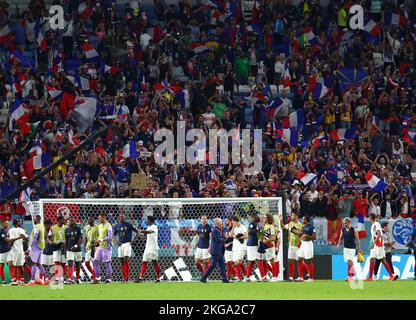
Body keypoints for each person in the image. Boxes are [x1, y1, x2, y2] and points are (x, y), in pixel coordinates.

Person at [366, 214, 396, 281]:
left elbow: (379, 234)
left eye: (369, 217)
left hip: (378, 245)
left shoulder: (376, 224)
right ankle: (370, 277)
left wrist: (373, 243)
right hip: (375, 245)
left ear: (370, 218)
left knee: (382, 260)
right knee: (371, 259)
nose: (368, 218)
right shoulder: (373, 225)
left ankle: (391, 276)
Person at [200, 218, 229, 283]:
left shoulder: (219, 230)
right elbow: (218, 240)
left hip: (219, 251)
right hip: (216, 251)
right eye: (221, 221)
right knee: (213, 265)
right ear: (217, 223)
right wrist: (224, 238)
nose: (222, 222)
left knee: (222, 265)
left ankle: (224, 279)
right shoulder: (215, 230)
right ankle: (203, 278)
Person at [113, 213, 140, 283]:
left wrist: (134, 240)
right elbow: (113, 235)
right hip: (120, 244)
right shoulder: (116, 226)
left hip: (127, 244)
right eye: (120, 217)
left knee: (126, 260)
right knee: (121, 261)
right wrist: (116, 241)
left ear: (125, 218)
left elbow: (138, 232)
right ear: (118, 218)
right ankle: (124, 277)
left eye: (123, 217)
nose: (122, 218)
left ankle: (127, 277)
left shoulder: (128, 225)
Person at [0, 219, 25, 285]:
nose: (8, 224)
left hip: (8, 250)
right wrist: (19, 238)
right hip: (2, 251)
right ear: (2, 224)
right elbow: (7, 240)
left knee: (10, 264)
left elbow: (9, 242)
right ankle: (3, 281)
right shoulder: (1, 231)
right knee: (1, 266)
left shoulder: (7, 231)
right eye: (6, 223)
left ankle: (13, 280)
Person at [27, 215, 50, 286]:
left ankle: (32, 281)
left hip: (35, 247)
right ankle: (46, 279)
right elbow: (45, 236)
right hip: (40, 247)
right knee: (38, 264)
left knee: (33, 263)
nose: (33, 219)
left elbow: (35, 236)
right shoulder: (42, 226)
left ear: (37, 219)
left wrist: (30, 248)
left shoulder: (36, 227)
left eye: (34, 218)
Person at [337, 217, 361, 281]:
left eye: (346, 223)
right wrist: (339, 243)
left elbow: (358, 240)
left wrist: (359, 249)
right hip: (345, 248)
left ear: (349, 223)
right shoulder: (343, 230)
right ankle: (351, 276)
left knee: (350, 261)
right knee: (348, 262)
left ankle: (350, 277)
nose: (345, 224)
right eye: (344, 223)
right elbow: (340, 237)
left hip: (352, 248)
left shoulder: (354, 230)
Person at [280, 212, 303, 281]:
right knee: (290, 261)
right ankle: (290, 277)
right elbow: (283, 227)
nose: (291, 216)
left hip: (298, 245)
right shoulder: (290, 224)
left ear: (296, 216)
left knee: (299, 261)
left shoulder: (300, 225)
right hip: (291, 245)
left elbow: (302, 233)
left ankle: (301, 276)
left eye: (293, 215)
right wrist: (281, 220)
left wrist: (296, 232)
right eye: (291, 215)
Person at [138, 216, 160, 282]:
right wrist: (143, 237)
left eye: (147, 220)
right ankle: (140, 277)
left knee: (154, 262)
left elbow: (149, 232)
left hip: (153, 248)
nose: (146, 221)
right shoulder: (148, 227)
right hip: (147, 248)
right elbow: (148, 235)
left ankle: (158, 278)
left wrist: (141, 231)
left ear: (150, 220)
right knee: (144, 261)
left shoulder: (154, 226)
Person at [93, 213, 113, 284]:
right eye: (98, 218)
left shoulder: (109, 226)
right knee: (95, 261)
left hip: (107, 247)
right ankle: (98, 278)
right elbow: (100, 236)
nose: (99, 219)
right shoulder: (99, 226)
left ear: (104, 218)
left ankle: (109, 279)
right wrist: (97, 243)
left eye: (100, 218)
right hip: (100, 247)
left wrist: (101, 240)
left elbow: (110, 237)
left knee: (107, 263)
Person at [258, 214, 279, 282]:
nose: (263, 218)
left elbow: (273, 238)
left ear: (268, 218)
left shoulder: (271, 227)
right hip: (264, 245)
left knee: (271, 260)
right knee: (264, 261)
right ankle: (265, 277)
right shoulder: (264, 226)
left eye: (265, 217)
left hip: (269, 245)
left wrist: (266, 240)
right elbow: (260, 237)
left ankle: (275, 276)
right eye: (263, 217)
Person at [295, 216, 316, 282]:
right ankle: (300, 277)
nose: (302, 220)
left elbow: (314, 237)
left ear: (306, 220)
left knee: (308, 261)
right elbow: (301, 234)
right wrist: (297, 233)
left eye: (303, 219)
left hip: (308, 244)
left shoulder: (311, 227)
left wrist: (307, 236)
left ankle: (311, 278)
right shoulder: (303, 227)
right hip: (303, 244)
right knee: (299, 259)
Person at [8, 218, 28, 285]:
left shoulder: (11, 230)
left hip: (16, 250)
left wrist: (23, 237)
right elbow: (25, 238)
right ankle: (16, 280)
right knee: (18, 265)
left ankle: (16, 280)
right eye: (19, 222)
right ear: (17, 223)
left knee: (17, 265)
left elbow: (11, 239)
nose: (20, 223)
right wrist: (22, 237)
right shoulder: (21, 230)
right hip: (18, 250)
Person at [48, 216, 67, 283]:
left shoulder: (66, 227)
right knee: (57, 263)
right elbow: (49, 237)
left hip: (64, 247)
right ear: (59, 220)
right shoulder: (53, 228)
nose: (64, 220)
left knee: (63, 263)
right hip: (56, 247)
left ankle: (63, 278)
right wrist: (52, 242)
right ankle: (56, 278)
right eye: (63, 219)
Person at [229, 216, 247, 281]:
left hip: (241, 246)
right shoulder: (234, 227)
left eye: (234, 222)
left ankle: (238, 277)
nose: (233, 223)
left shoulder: (243, 227)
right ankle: (246, 275)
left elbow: (246, 236)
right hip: (235, 246)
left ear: (237, 221)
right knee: (238, 262)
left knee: (238, 262)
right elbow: (230, 235)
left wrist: (237, 237)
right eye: (232, 222)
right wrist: (233, 227)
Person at [65, 219, 83, 284]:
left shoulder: (78, 229)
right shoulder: (66, 230)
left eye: (72, 220)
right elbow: (66, 241)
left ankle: (77, 279)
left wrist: (76, 246)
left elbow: (81, 239)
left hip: (77, 249)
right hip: (69, 249)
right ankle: (69, 279)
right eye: (69, 221)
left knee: (78, 264)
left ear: (75, 222)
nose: (70, 222)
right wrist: (65, 250)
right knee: (70, 263)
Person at [245, 213, 260, 281]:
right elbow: (250, 231)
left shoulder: (256, 223)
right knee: (251, 261)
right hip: (251, 244)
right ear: (255, 217)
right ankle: (247, 276)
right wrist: (257, 230)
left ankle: (264, 275)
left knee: (256, 260)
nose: (259, 216)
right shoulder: (252, 223)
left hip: (254, 244)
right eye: (258, 215)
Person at [84, 216, 98, 282]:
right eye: (88, 219)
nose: (89, 220)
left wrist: (97, 244)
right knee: (87, 263)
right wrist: (85, 246)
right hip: (88, 247)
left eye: (90, 219)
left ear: (93, 220)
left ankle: (95, 278)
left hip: (94, 247)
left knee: (94, 262)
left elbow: (99, 236)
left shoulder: (97, 227)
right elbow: (86, 237)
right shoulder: (86, 227)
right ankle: (94, 275)